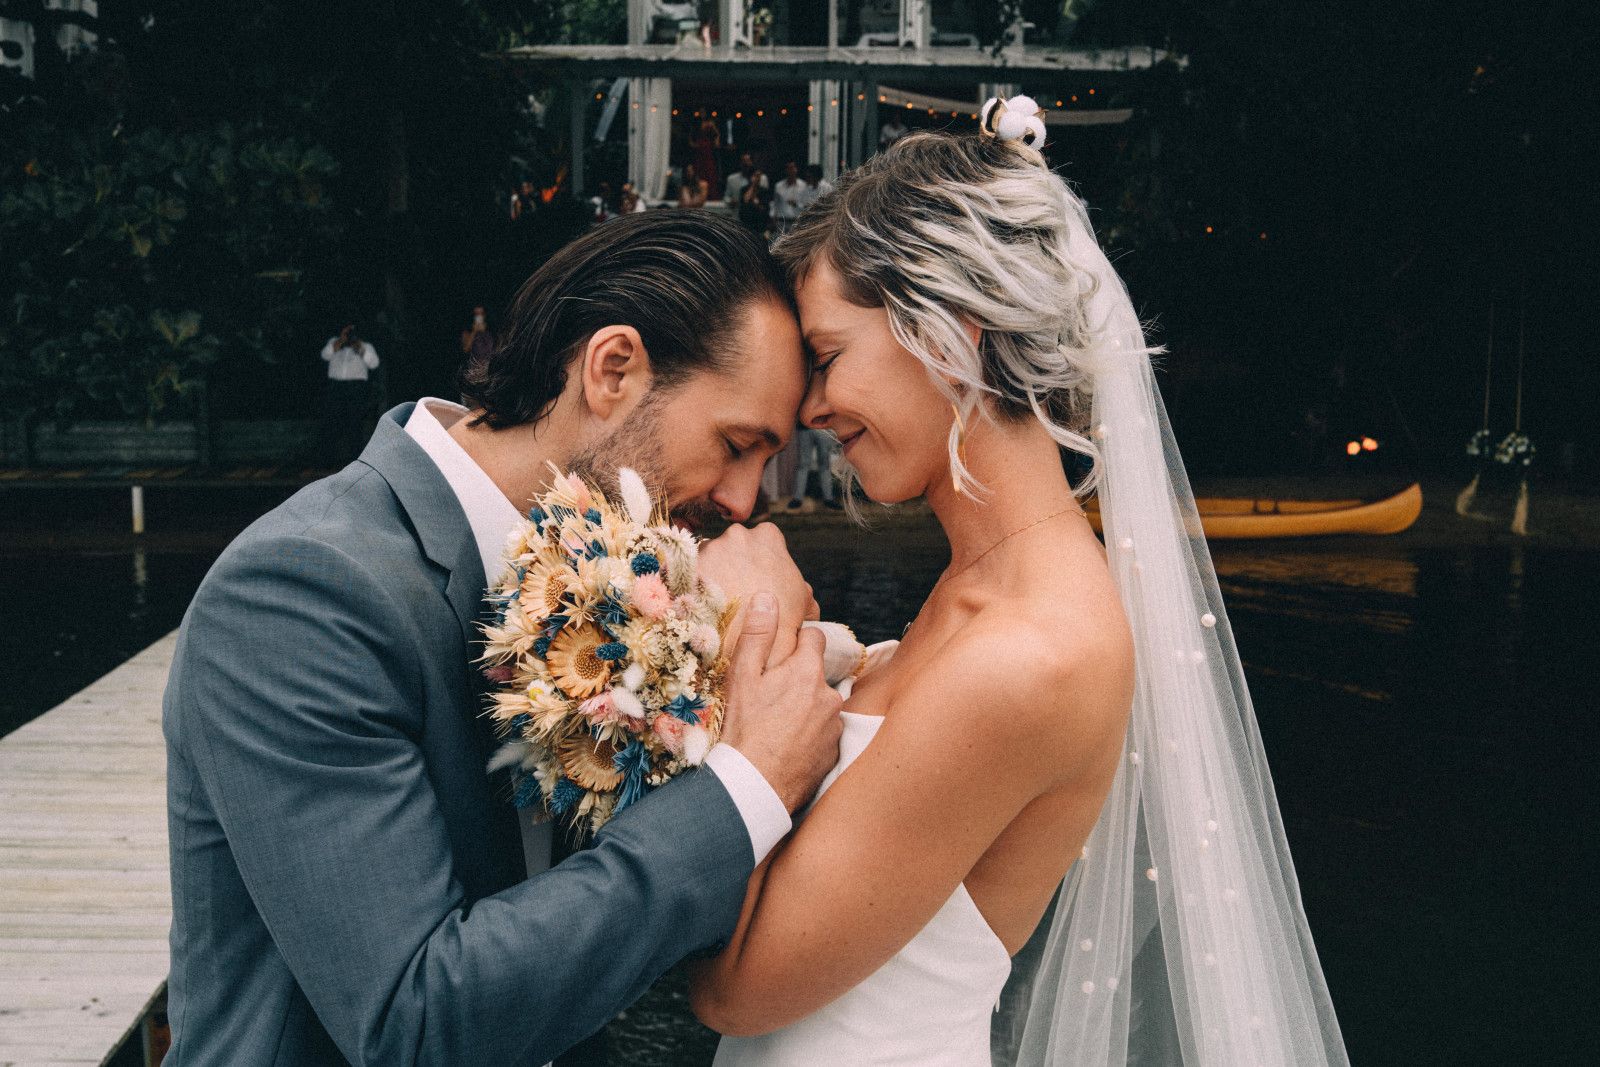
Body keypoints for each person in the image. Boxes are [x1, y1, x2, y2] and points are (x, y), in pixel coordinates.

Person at [692, 106, 1350, 1065]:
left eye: (829, 358)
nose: (811, 408)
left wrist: (750, 645)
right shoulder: (978, 593)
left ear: (951, 327)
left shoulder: (1030, 652)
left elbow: (735, 991)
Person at [163, 210, 845, 1066]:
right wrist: (749, 783)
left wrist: (742, 646)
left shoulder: (616, 584)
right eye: (737, 445)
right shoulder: (304, 590)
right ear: (614, 369)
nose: (746, 500)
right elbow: (414, 1019)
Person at [318, 323, 380, 464]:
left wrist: (359, 347)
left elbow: (374, 363)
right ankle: (328, 459)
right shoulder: (334, 343)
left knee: (355, 423)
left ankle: (355, 460)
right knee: (332, 422)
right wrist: (340, 340)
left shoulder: (366, 346)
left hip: (356, 388)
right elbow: (325, 355)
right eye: (347, 332)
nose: (349, 336)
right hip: (336, 387)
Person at [785, 427, 839, 510]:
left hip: (818, 428)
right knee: (809, 464)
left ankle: (828, 498)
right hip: (809, 428)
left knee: (820, 465)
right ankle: (799, 498)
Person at [768, 161, 806, 235]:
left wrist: (797, 204)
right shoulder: (779, 186)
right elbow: (775, 204)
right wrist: (773, 219)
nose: (791, 171)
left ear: (796, 169)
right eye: (788, 168)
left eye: (792, 168)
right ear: (786, 170)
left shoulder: (803, 186)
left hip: (796, 222)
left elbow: (806, 204)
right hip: (781, 222)